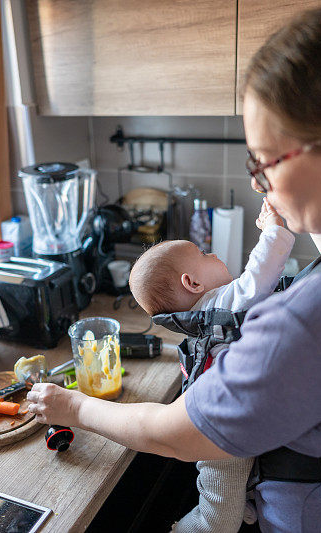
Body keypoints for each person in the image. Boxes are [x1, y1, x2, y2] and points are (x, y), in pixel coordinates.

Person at [28, 1, 321, 530]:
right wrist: (296, 212)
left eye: (265, 162)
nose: (260, 182)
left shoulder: (310, 321)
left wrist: (74, 409)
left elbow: (175, 434)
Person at [129, 198, 295, 532]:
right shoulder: (221, 305)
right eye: (205, 255)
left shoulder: (205, 319)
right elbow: (261, 273)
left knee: (236, 492)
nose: (215, 254)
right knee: (217, 518)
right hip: (222, 435)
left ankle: (243, 506)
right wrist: (274, 230)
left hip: (226, 422)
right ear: (192, 283)